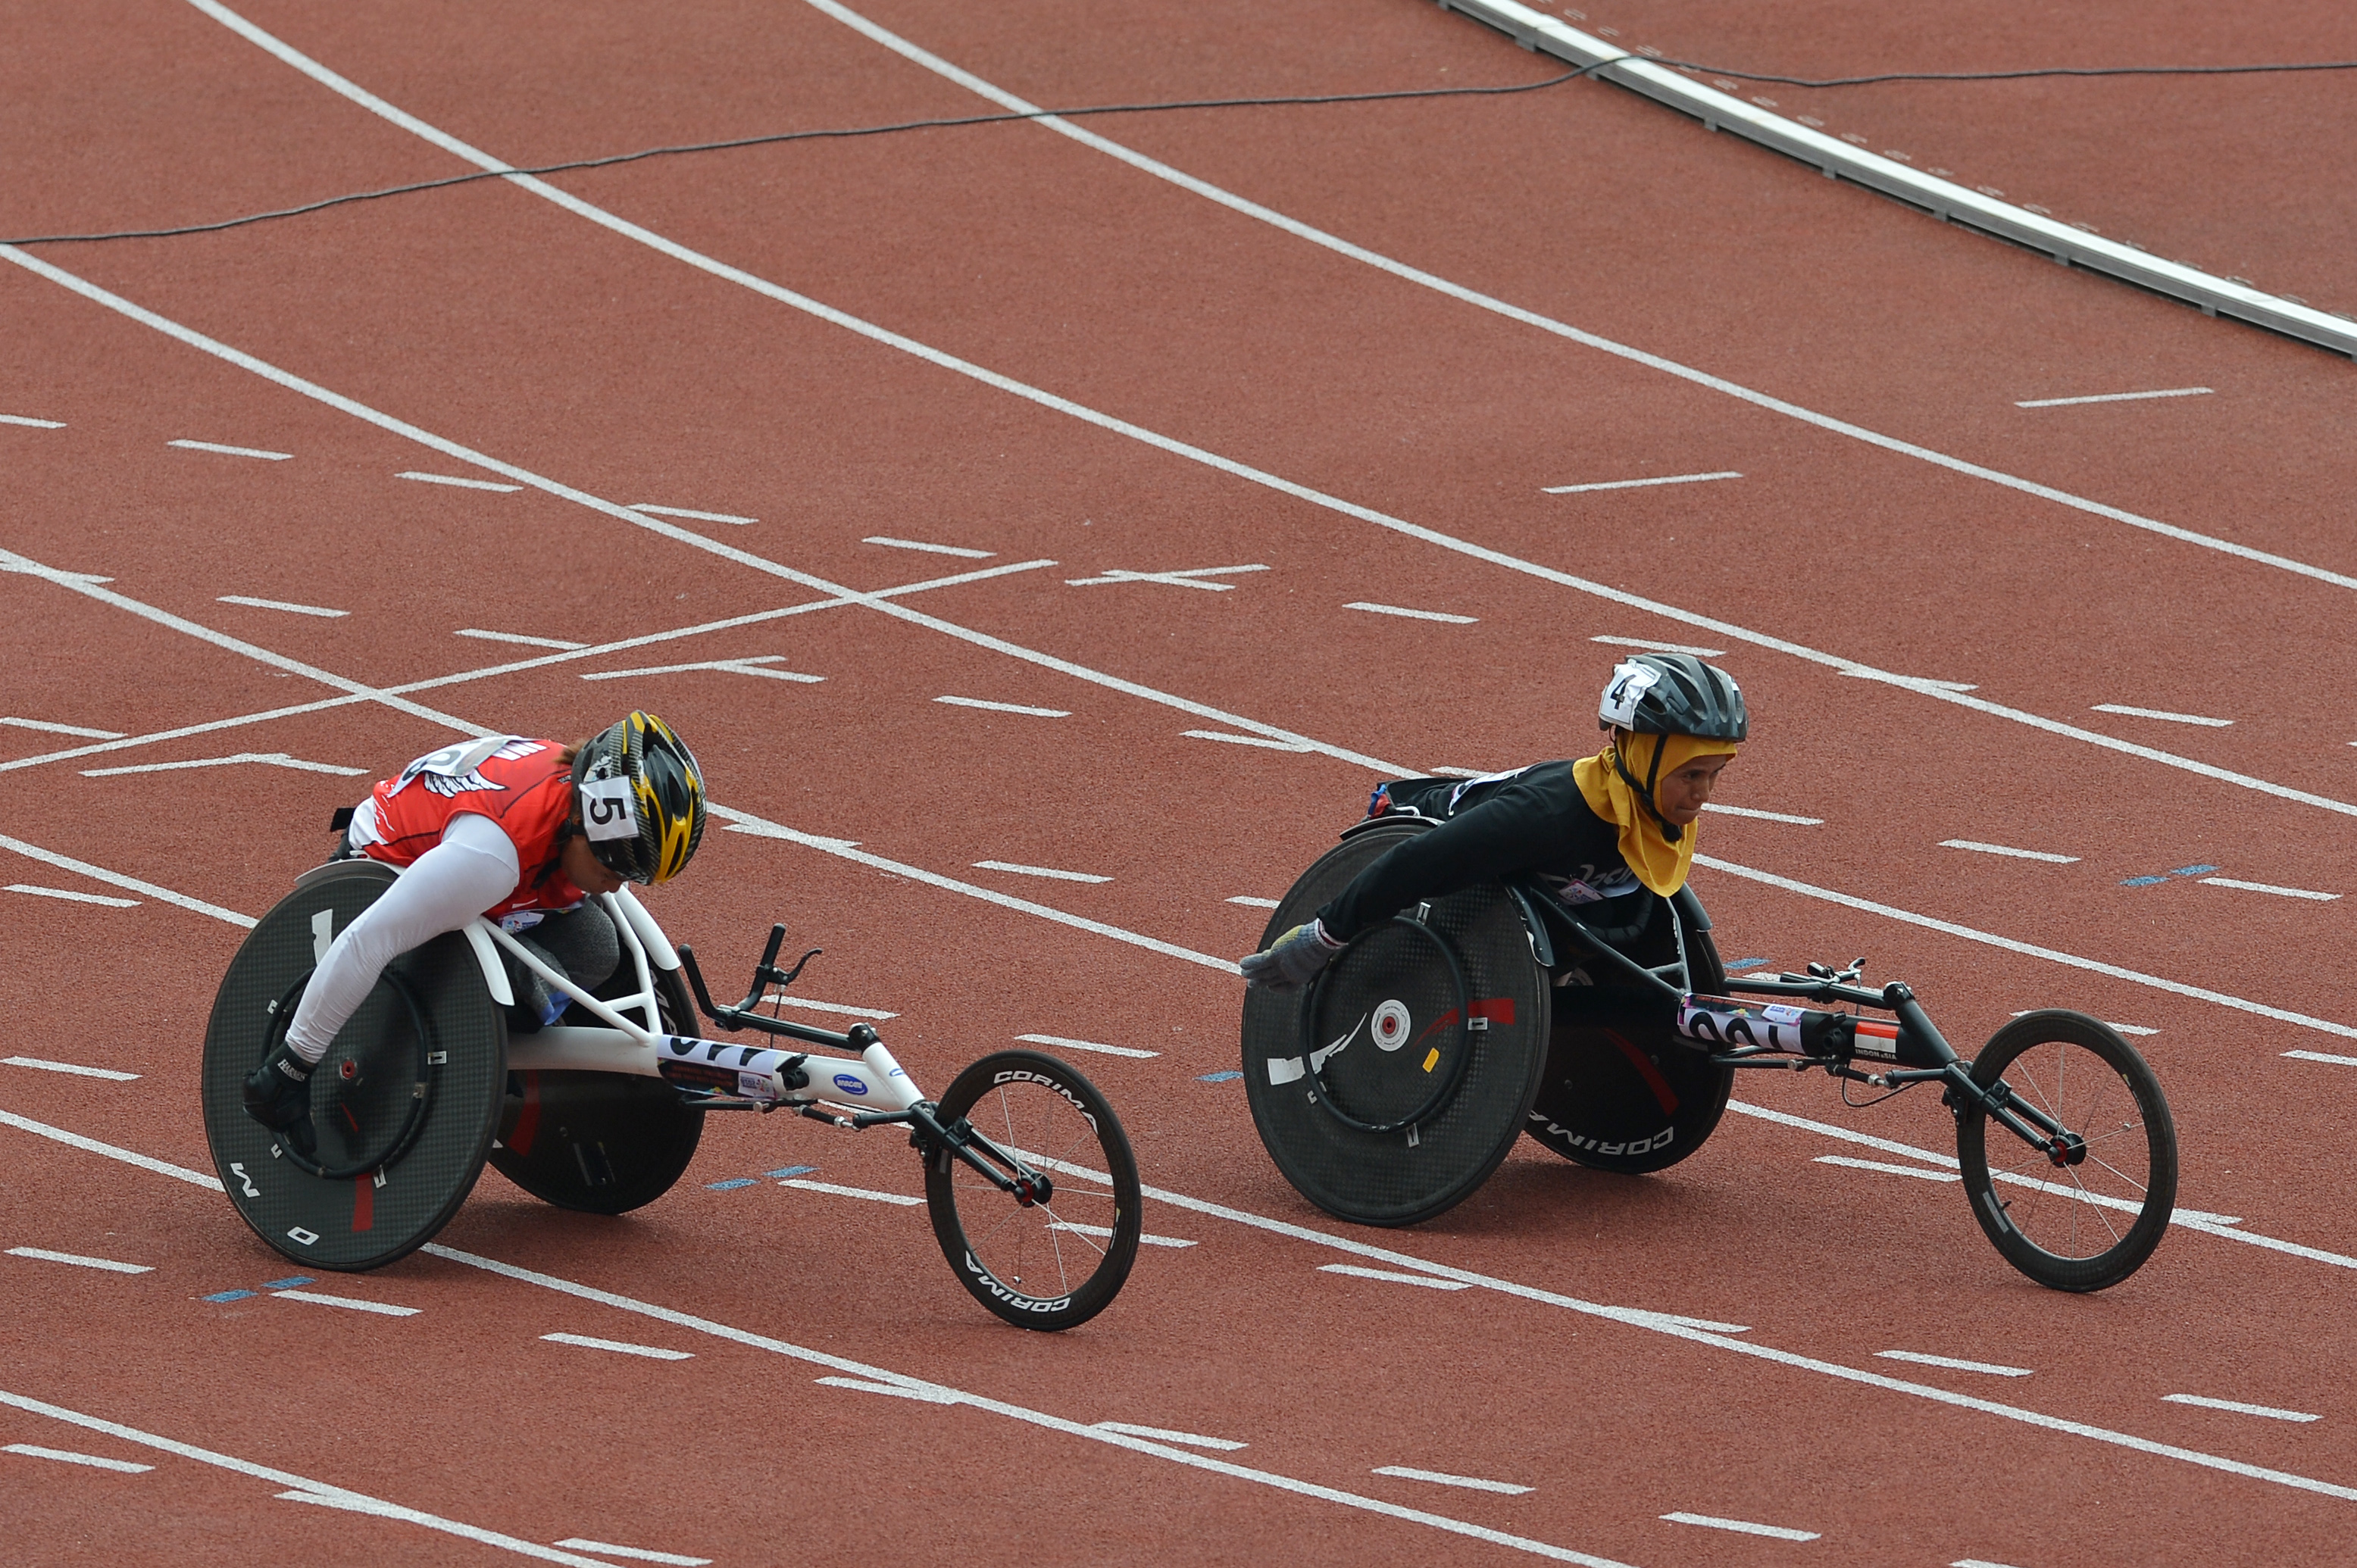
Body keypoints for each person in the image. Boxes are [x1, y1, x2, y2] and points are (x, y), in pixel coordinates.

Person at [242, 711, 707, 1152]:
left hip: (490, 862)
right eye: (616, 865)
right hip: (389, 868)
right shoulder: (491, 859)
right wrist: (292, 1066)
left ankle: (484, 1032)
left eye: (637, 873)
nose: (620, 883)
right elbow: (367, 941)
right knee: (533, 977)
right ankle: (454, 1046)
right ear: (579, 824)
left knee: (598, 949)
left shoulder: (577, 801)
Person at [1239, 654, 1746, 991]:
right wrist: (1323, 937)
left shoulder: (1649, 812)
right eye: (1690, 774)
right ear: (1635, 753)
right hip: (1426, 833)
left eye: (1714, 774)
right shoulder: (1545, 815)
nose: (1702, 794)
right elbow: (1417, 862)